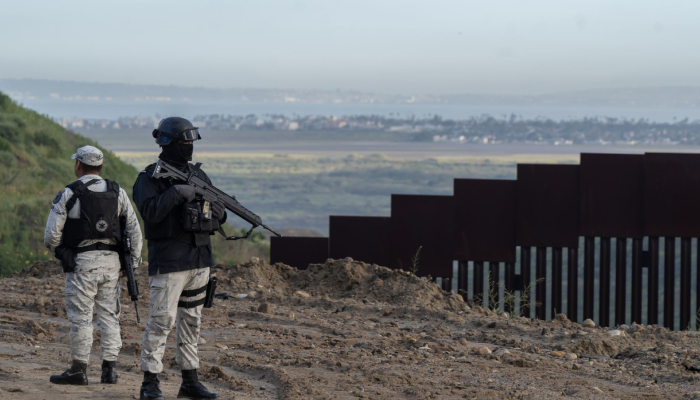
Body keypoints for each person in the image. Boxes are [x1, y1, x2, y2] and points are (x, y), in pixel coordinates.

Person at [133, 117, 226, 400]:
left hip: (199, 259)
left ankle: (190, 381)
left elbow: (220, 212)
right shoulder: (148, 178)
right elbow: (149, 213)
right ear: (167, 143)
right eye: (183, 143)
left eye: (191, 143)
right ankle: (150, 383)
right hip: (170, 261)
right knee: (161, 321)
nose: (188, 148)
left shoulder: (200, 176)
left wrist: (213, 209)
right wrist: (175, 193)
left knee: (192, 322)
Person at [44, 145, 143, 385]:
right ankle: (109, 371)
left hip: (82, 264)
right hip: (111, 264)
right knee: (110, 316)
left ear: (78, 164)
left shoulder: (69, 193)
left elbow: (51, 235)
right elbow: (134, 229)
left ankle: (79, 369)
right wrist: (132, 263)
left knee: (81, 317)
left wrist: (61, 253)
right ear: (100, 166)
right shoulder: (117, 192)